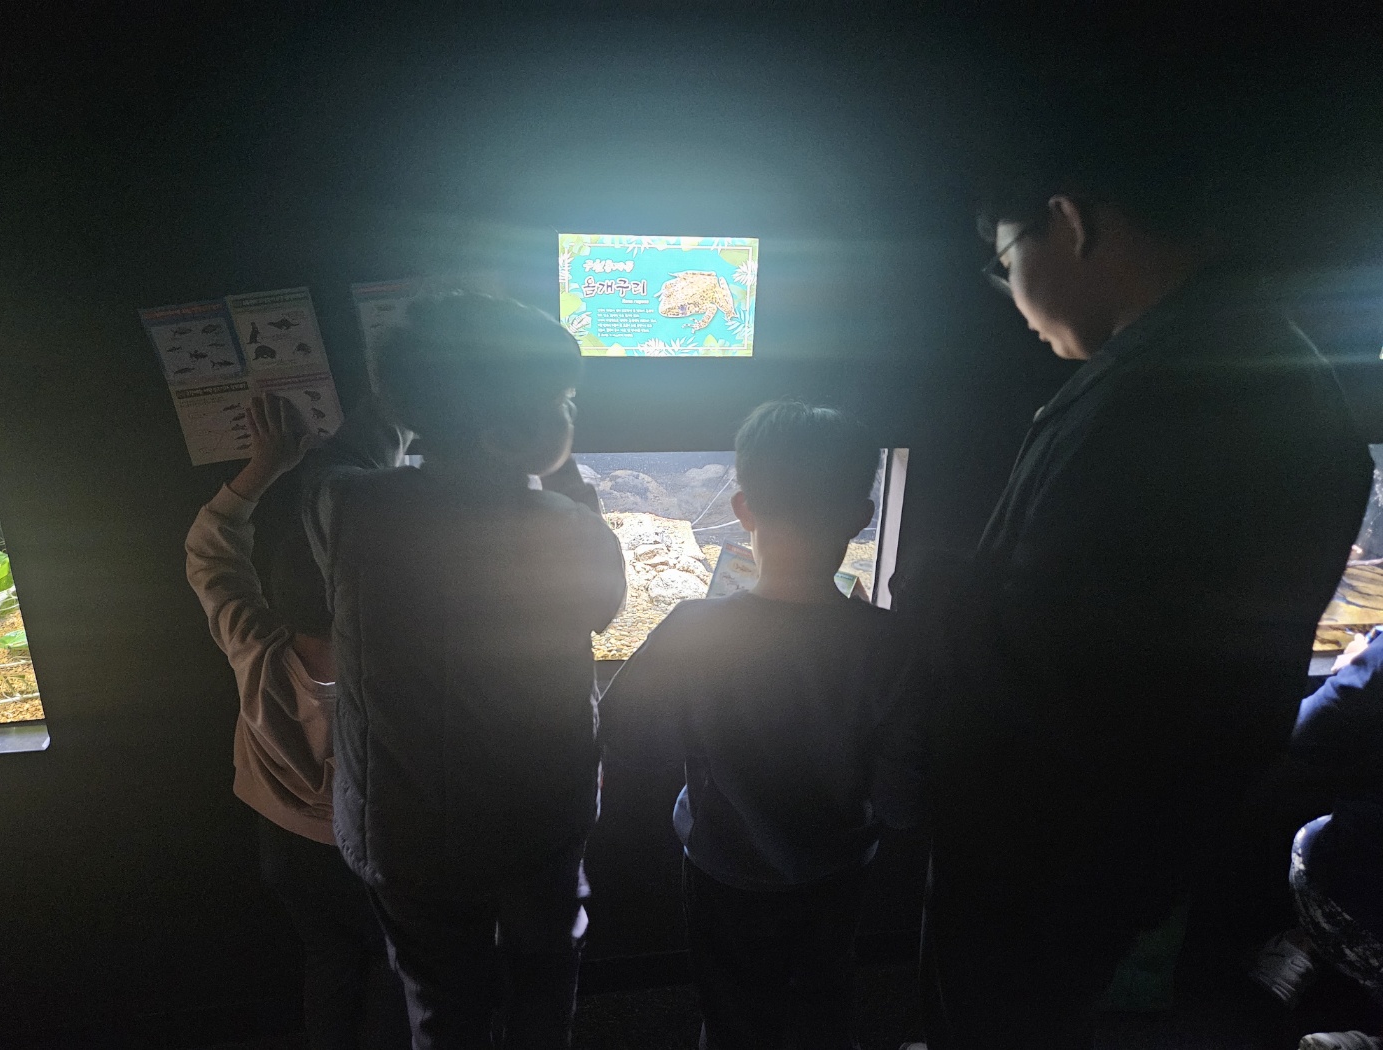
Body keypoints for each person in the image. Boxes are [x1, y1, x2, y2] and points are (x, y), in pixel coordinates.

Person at [895, 102, 1374, 1049]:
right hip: (1124, 848)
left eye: (1004, 259)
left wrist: (941, 598)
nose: (1010, 293)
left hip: (1045, 851)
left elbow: (1062, 665)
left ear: (1069, 222)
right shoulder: (1251, 363)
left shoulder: (1161, 398)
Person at [318, 293, 626, 1050]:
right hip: (538, 822)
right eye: (563, 402)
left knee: (440, 999)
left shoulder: (350, 507)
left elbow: (353, 461)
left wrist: (405, 389)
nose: (572, 415)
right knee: (545, 970)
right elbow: (604, 608)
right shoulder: (573, 531)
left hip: (404, 830)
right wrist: (564, 482)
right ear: (505, 435)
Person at [600, 400, 923, 1050]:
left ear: (743, 508)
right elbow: (903, 798)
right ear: (861, 519)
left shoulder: (694, 629)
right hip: (837, 871)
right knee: (825, 997)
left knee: (732, 1008)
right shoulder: (891, 644)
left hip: (723, 870)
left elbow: (625, 737)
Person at [184, 392, 409, 1050]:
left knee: (329, 960)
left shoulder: (253, 647)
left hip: (286, 849)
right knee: (397, 969)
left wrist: (265, 466)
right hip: (379, 855)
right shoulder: (406, 682)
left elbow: (211, 555)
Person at [1250, 627, 1383, 1047]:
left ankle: (1309, 941)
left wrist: (1352, 673)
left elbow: (1303, 730)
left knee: (1318, 828)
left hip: (1364, 917)